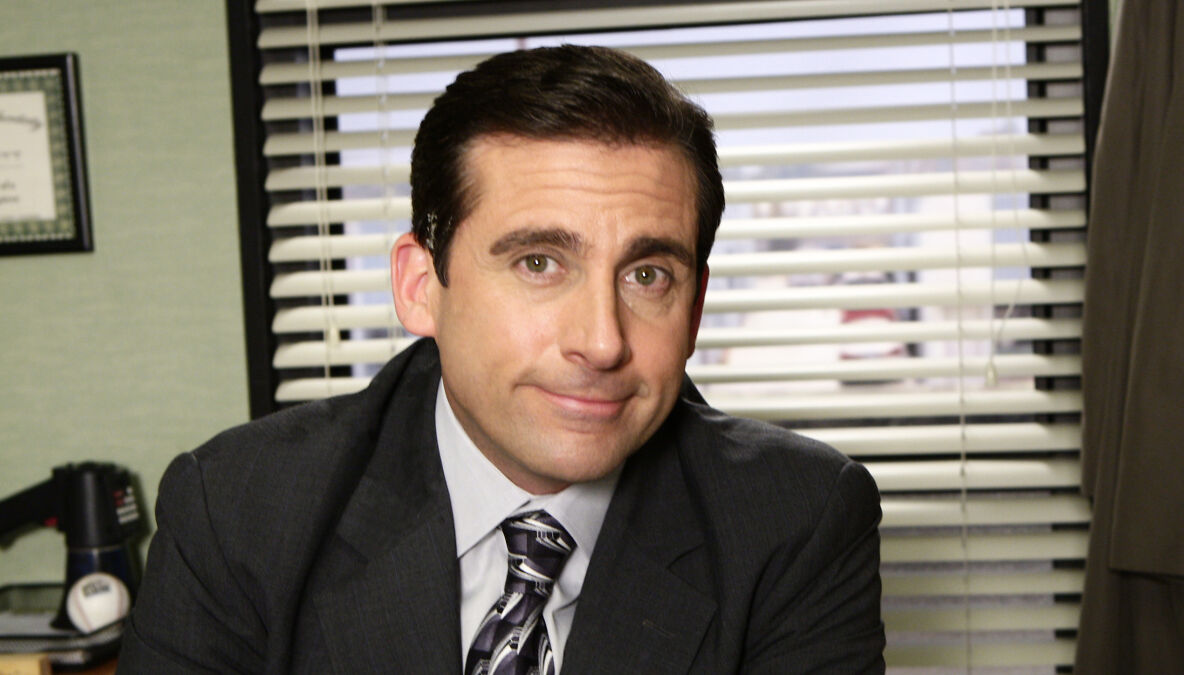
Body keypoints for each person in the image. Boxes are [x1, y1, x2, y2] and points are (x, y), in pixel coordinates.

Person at [117, 45, 885, 674]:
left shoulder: (798, 519)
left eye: (648, 276)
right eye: (540, 263)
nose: (603, 340)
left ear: (694, 306)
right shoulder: (239, 510)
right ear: (422, 288)